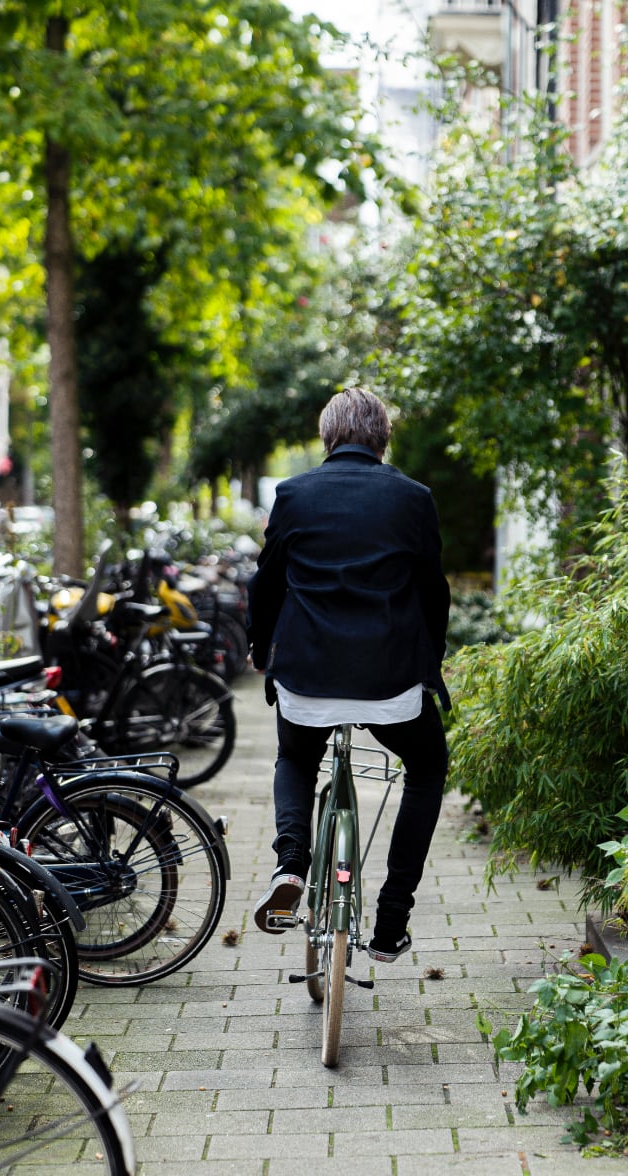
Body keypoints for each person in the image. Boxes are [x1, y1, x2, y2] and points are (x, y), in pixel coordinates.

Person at [245, 388, 451, 963]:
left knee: (295, 758)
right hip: (391, 683)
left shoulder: (295, 494)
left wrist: (260, 648)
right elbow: (433, 589)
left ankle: (291, 863)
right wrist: (431, 660)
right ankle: (391, 918)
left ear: (327, 437)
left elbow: (266, 582)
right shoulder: (414, 499)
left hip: (307, 677)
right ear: (383, 437)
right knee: (427, 766)